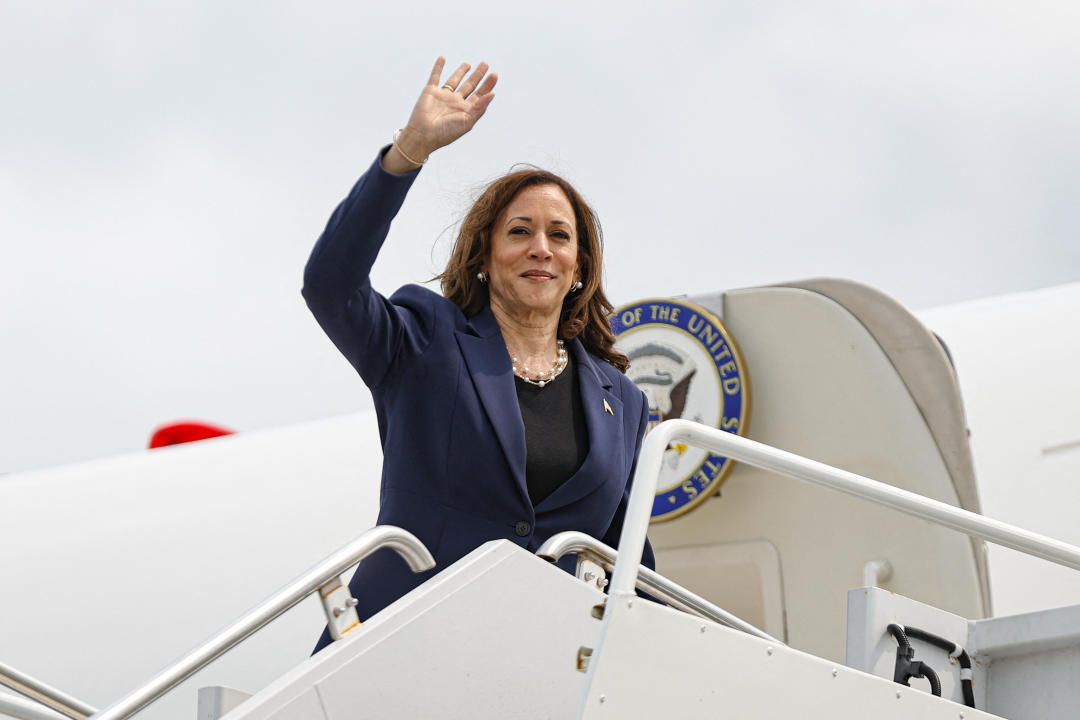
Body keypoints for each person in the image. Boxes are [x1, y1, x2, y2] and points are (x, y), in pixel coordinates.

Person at [303, 58, 654, 653]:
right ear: (484, 257)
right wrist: (407, 152)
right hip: (398, 648)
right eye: (519, 231)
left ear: (579, 269)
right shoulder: (423, 338)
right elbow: (330, 285)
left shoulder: (624, 402)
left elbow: (632, 566)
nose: (540, 248)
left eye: (559, 235)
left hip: (542, 668)